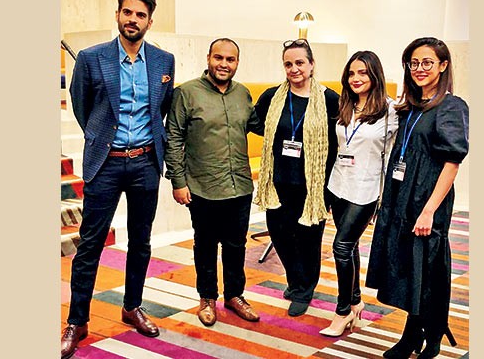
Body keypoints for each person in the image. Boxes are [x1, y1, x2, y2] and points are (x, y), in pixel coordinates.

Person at [62, 0, 175, 359]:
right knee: (90, 244)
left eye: (141, 14)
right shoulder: (92, 58)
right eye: (128, 12)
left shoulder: (163, 61)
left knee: (141, 241)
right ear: (117, 15)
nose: (133, 19)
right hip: (105, 163)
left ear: (149, 22)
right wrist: (101, 137)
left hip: (145, 162)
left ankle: (132, 307)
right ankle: (77, 321)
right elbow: (82, 106)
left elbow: (162, 109)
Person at [365, 37, 469, 359]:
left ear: (443, 65)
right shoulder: (410, 107)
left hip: (427, 202)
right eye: (413, 63)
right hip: (402, 199)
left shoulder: (452, 107)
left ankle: (432, 336)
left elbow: (452, 164)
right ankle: (412, 334)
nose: (419, 69)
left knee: (429, 270)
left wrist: (429, 211)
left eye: (427, 62)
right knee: (410, 269)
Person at [164, 38, 261, 327]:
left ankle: (235, 295)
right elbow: (174, 138)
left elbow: (257, 125)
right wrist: (178, 181)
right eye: (219, 58)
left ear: (237, 63)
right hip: (202, 187)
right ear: (208, 58)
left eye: (230, 59)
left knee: (236, 245)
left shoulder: (242, 93)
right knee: (205, 246)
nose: (224, 64)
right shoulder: (186, 93)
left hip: (239, 185)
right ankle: (207, 298)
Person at [253, 38, 339, 317]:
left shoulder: (329, 100)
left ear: (312, 64)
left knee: (308, 241)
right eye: (288, 64)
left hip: (312, 186)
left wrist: (330, 189)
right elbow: (257, 125)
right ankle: (295, 280)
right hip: (277, 183)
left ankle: (304, 289)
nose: (294, 69)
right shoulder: (272, 97)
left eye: (300, 62)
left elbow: (338, 143)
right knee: (280, 235)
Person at [319, 51, 398, 336]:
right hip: (339, 183)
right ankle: (355, 302)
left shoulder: (390, 111)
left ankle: (342, 312)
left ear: (375, 75)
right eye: (351, 73)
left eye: (363, 72)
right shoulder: (346, 105)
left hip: (366, 188)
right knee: (349, 247)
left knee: (340, 247)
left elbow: (396, 153)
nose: (356, 78)